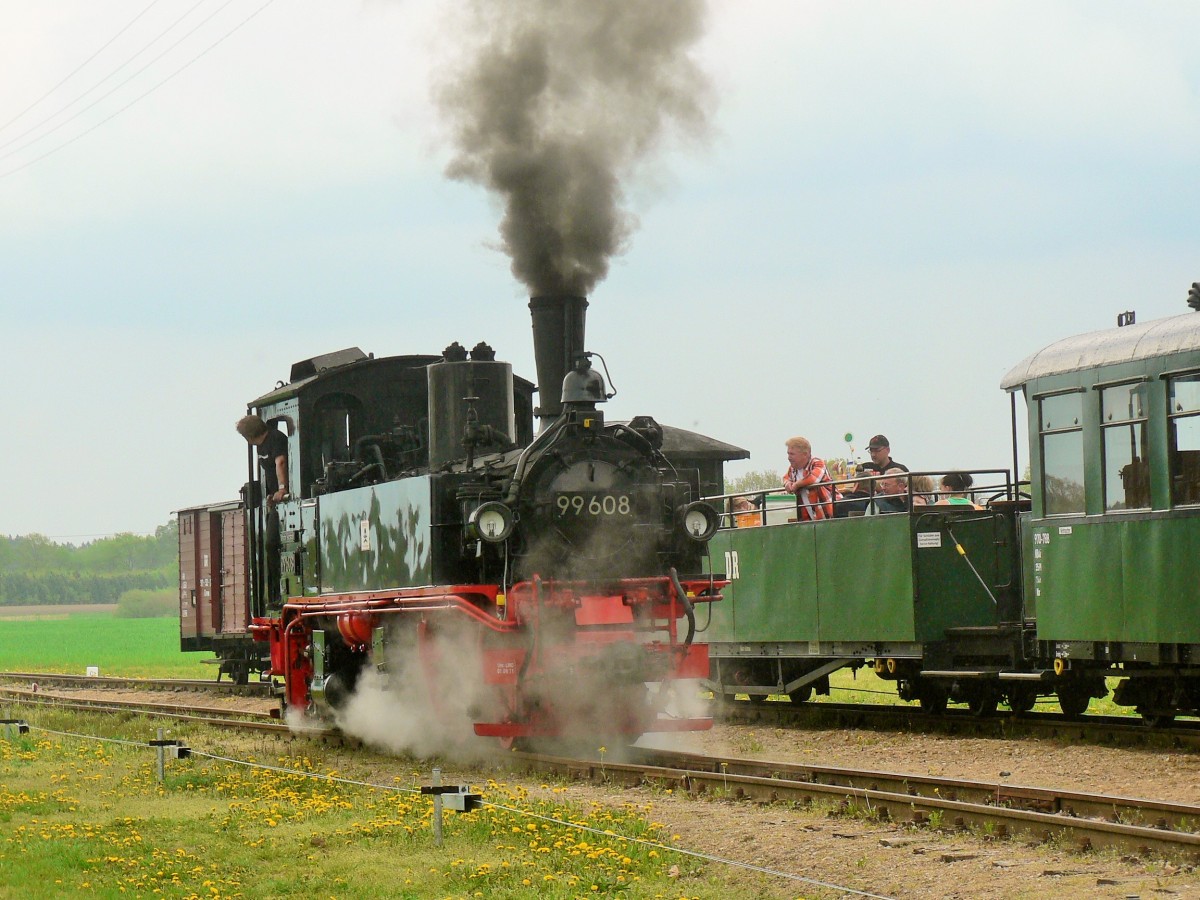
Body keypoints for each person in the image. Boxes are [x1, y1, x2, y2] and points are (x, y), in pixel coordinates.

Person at [236, 414, 289, 604]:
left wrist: (283, 488)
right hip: (274, 501)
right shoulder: (261, 446)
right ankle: (275, 593)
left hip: (286, 499)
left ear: (248, 437)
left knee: (272, 543)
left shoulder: (276, 439)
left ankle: (279, 594)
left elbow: (280, 462)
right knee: (269, 544)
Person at [782, 436, 839, 521]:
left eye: (792, 454)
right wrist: (787, 484)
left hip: (831, 514)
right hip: (809, 518)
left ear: (805, 454)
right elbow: (785, 478)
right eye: (788, 453)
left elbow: (813, 479)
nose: (789, 457)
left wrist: (797, 484)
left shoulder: (817, 463)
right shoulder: (793, 469)